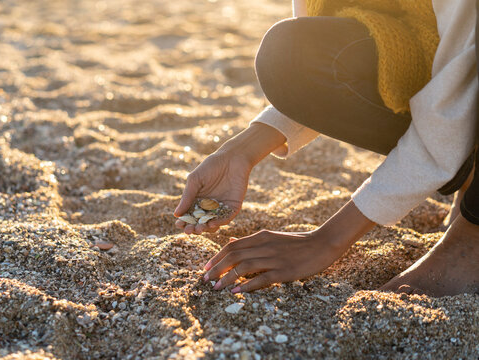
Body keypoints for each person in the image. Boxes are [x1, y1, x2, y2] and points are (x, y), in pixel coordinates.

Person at [174, 0, 479, 297]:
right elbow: (314, 75)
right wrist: (241, 150)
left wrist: (327, 240)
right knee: (291, 53)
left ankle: (473, 234)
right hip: (427, 40)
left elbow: (454, 99)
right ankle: (471, 173)